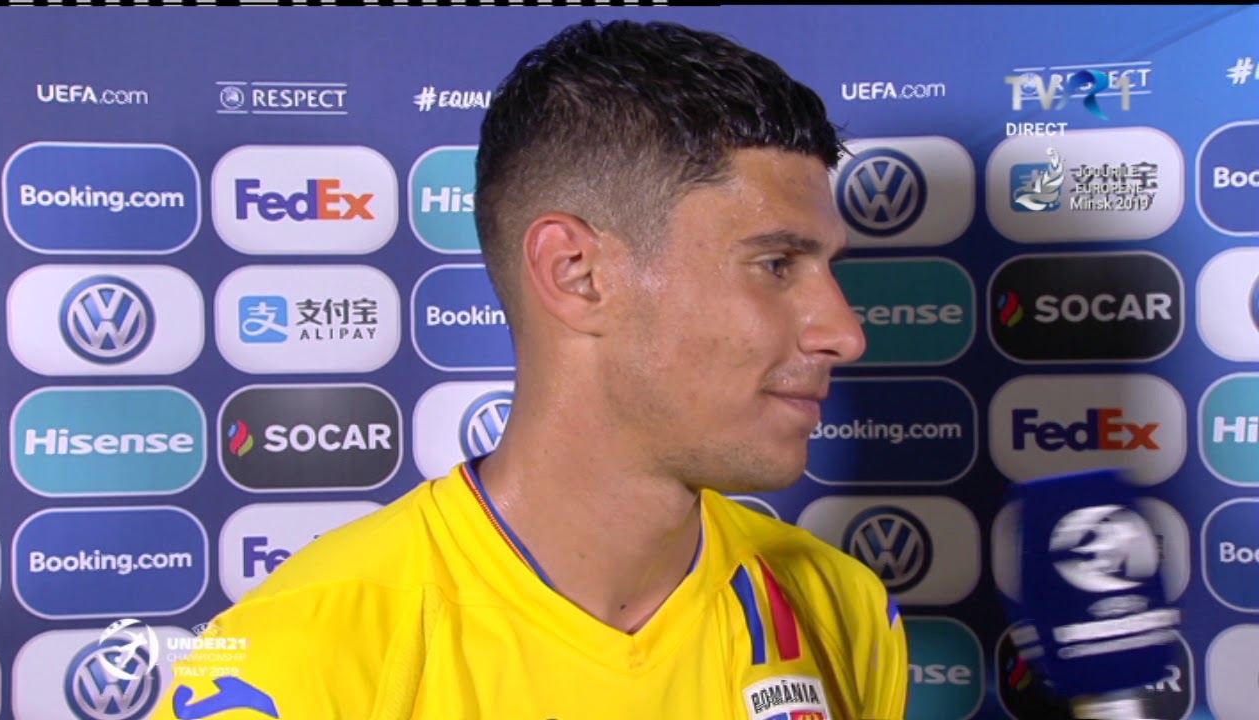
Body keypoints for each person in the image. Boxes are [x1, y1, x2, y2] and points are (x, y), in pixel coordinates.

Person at [153, 19, 909, 720]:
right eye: (776, 264)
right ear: (577, 274)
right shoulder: (297, 656)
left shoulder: (842, 607)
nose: (845, 334)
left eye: (827, 269)